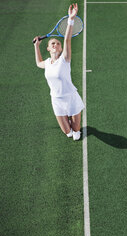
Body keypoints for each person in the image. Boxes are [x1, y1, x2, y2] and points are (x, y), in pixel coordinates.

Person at [33, 3, 84, 141]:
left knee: (76, 133)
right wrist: (37, 46)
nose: (55, 44)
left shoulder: (65, 59)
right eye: (52, 44)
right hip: (56, 100)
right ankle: (71, 126)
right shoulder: (48, 63)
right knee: (68, 133)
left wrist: (71, 19)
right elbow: (38, 63)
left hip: (71, 98)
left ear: (61, 49)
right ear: (48, 49)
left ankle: (76, 126)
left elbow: (67, 39)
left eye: (57, 44)